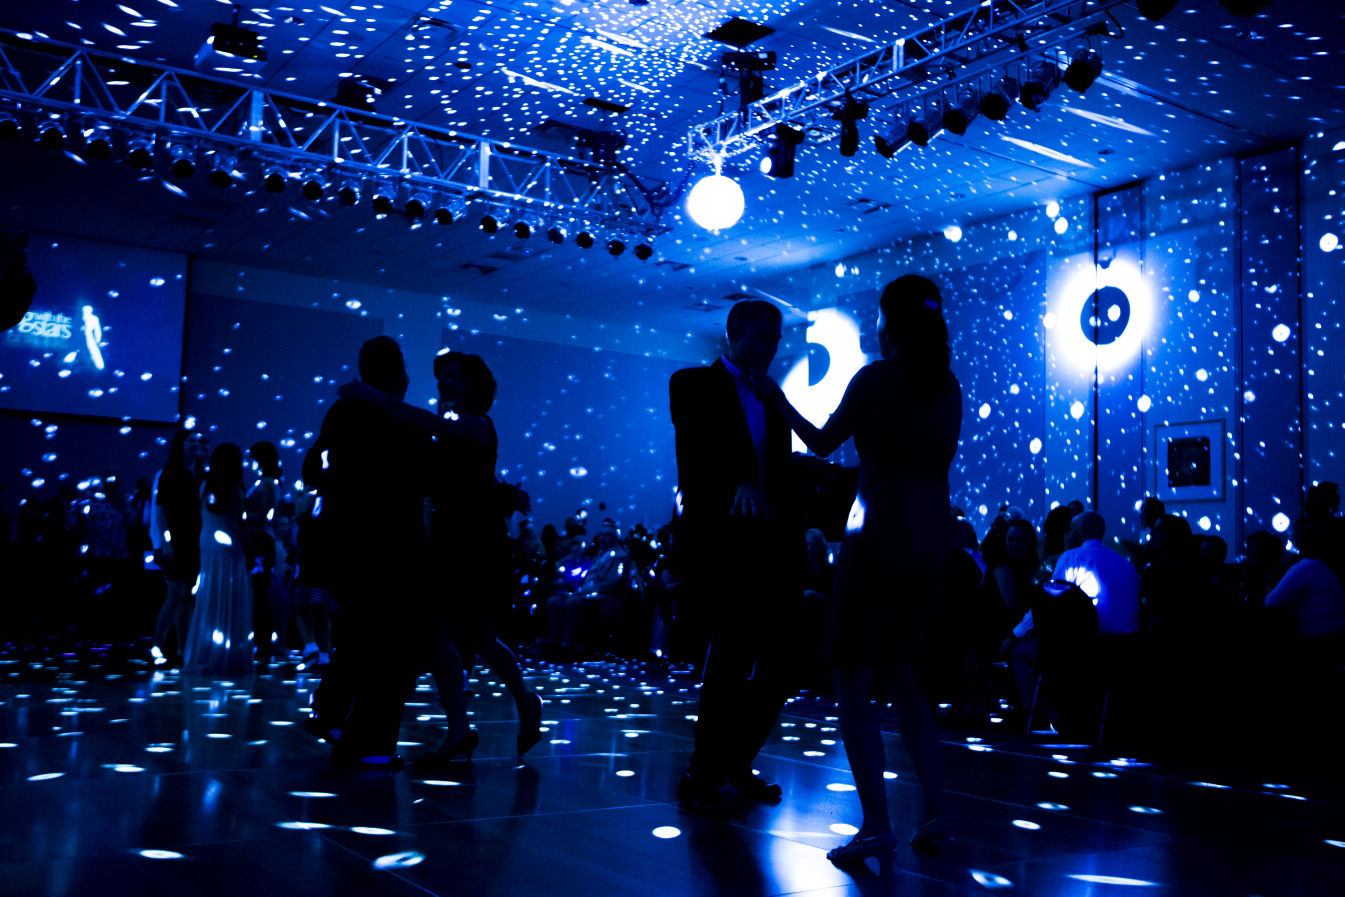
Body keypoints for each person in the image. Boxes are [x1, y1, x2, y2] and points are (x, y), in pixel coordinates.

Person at [749, 275, 961, 863]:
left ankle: (875, 826)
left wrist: (775, 398)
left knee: (849, 677)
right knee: (904, 675)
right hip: (930, 539)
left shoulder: (876, 379)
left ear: (887, 325)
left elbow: (820, 443)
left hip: (877, 537)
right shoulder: (947, 387)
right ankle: (937, 814)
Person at [338, 349, 542, 765]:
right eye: (441, 377)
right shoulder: (453, 427)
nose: (443, 383)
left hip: (477, 547)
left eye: (452, 376)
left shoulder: (477, 424)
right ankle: (460, 729)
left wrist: (376, 397)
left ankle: (522, 701)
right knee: (437, 636)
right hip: (449, 543)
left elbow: (431, 429)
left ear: (473, 384)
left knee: (480, 638)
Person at [670, 298, 802, 813]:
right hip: (724, 548)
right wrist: (741, 478)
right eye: (764, 336)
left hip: (772, 546)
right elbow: (700, 448)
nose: (772, 347)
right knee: (729, 661)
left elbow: (774, 467)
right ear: (734, 333)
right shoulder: (692, 384)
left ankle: (733, 761)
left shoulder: (772, 396)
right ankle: (706, 770)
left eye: (776, 338)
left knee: (782, 662)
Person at [307, 336, 434, 770]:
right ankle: (370, 743)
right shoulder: (405, 420)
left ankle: (331, 713)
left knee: (359, 638)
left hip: (348, 542)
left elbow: (312, 469)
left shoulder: (345, 412)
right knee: (393, 648)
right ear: (397, 370)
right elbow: (431, 477)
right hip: (396, 544)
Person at [182, 443, 254, 675]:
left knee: (211, 592)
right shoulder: (234, 489)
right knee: (229, 593)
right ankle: (228, 654)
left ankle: (206, 650)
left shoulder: (204, 485)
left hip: (208, 543)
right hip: (229, 545)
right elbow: (238, 523)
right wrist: (250, 550)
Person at [150, 429, 209, 666]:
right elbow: (161, 510)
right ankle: (157, 646)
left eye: (198, 440)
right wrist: (165, 542)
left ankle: (184, 650)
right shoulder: (170, 472)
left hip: (196, 540)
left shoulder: (200, 474)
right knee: (175, 595)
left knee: (186, 598)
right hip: (177, 540)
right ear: (180, 445)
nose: (196, 443)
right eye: (190, 440)